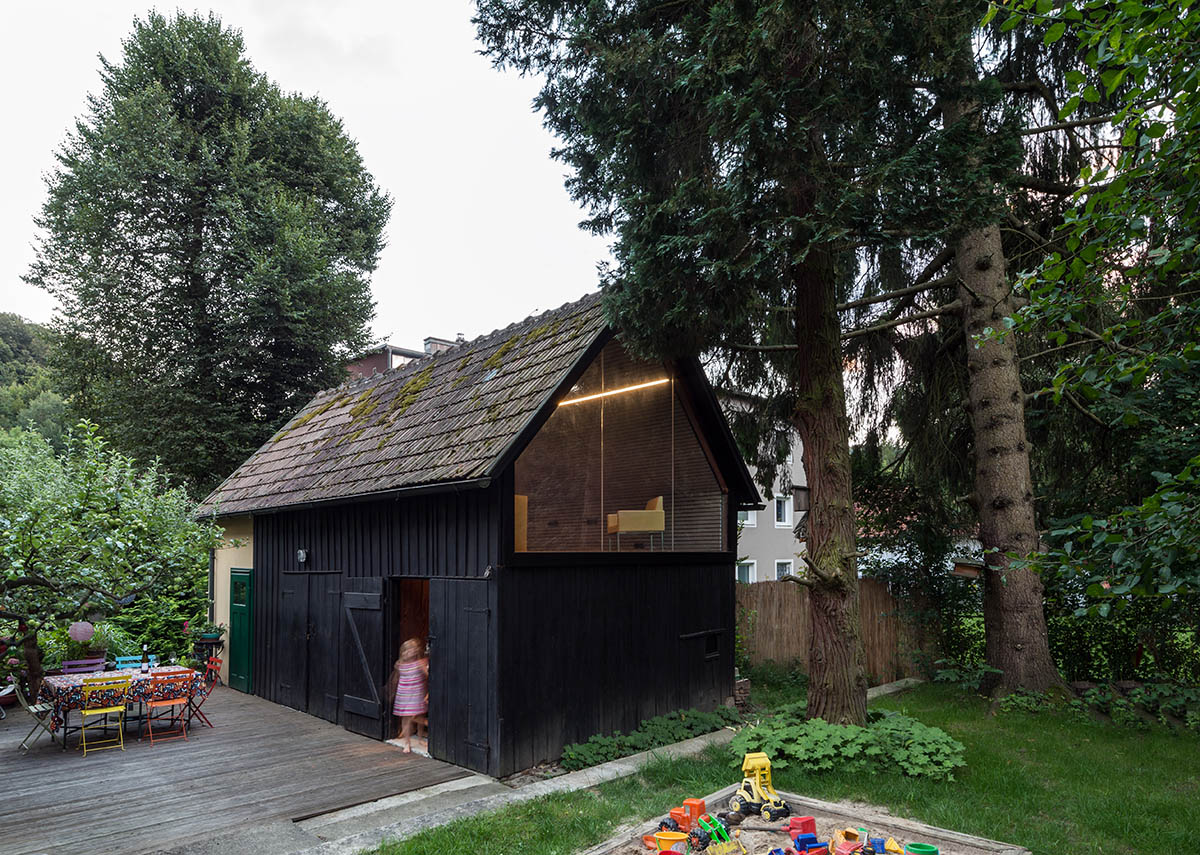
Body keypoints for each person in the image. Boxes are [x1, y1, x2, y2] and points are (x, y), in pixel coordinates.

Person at [392, 638, 428, 753]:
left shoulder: (420, 663)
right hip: (404, 695)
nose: (409, 652)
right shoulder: (399, 664)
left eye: (412, 649)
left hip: (417, 694)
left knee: (419, 714)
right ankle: (407, 742)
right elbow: (396, 678)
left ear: (417, 651)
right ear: (402, 652)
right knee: (406, 718)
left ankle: (420, 737)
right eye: (407, 650)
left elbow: (428, 675)